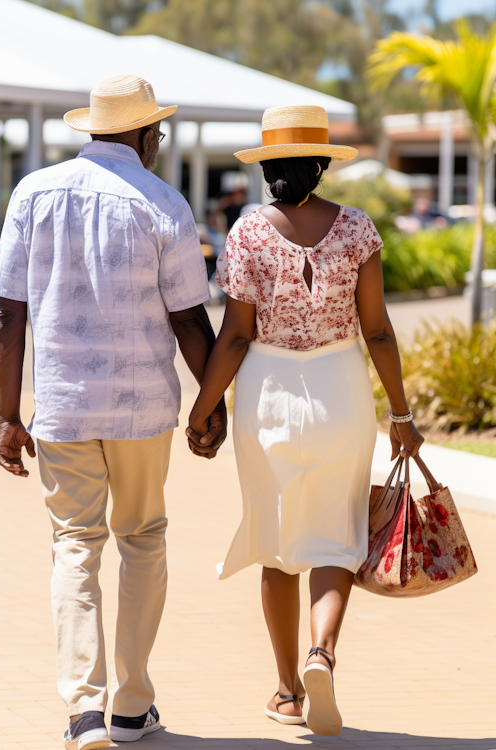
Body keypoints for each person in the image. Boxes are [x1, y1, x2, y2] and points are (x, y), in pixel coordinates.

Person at [0, 74, 227, 750]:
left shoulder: (34, 192)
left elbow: (10, 312)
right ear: (149, 135)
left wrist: (9, 414)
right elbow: (188, 318)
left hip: (62, 407)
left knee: (74, 545)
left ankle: (84, 712)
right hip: (143, 408)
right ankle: (130, 706)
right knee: (143, 537)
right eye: (158, 132)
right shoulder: (164, 201)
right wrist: (210, 404)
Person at [186, 105, 424, 737]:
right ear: (321, 163)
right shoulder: (358, 229)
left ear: (267, 166)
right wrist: (401, 413)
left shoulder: (245, 233)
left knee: (276, 540)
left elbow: (235, 336)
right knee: (334, 535)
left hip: (267, 394)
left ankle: (288, 690)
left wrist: (203, 409)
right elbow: (376, 329)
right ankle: (324, 651)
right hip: (341, 390)